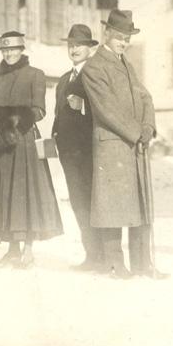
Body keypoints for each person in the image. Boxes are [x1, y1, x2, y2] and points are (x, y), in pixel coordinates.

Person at [81, 9, 165, 279]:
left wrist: (148, 127)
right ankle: (114, 264)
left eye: (127, 37)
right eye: (119, 36)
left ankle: (143, 264)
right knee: (113, 206)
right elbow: (107, 109)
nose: (123, 42)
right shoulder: (94, 66)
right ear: (107, 34)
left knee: (139, 203)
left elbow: (145, 97)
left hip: (135, 144)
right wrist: (135, 132)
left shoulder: (126, 63)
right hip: (113, 145)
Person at [0, 31, 63, 268]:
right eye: (5, 50)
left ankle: (28, 250)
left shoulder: (35, 75)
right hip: (0, 145)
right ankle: (12, 250)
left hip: (23, 142)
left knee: (26, 194)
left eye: (13, 49)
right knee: (5, 193)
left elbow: (40, 110)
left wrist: (16, 121)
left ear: (22, 50)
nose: (9, 54)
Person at [52, 24, 102, 271]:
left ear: (90, 49)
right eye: (71, 45)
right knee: (78, 203)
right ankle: (90, 255)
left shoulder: (95, 75)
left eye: (79, 45)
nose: (74, 49)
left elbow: (106, 110)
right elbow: (57, 115)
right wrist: (54, 138)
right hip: (68, 154)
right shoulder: (63, 80)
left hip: (90, 152)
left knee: (93, 202)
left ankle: (102, 256)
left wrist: (83, 105)